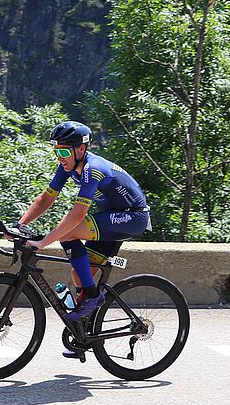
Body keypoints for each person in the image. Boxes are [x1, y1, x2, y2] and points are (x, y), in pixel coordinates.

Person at [16, 121, 149, 324]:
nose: (60, 158)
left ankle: (92, 296)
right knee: (79, 273)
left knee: (68, 232)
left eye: (63, 153)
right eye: (56, 152)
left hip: (132, 217)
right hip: (112, 217)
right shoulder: (68, 165)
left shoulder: (92, 169)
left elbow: (78, 215)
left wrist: (42, 243)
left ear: (81, 149)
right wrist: (20, 225)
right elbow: (47, 198)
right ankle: (84, 329)